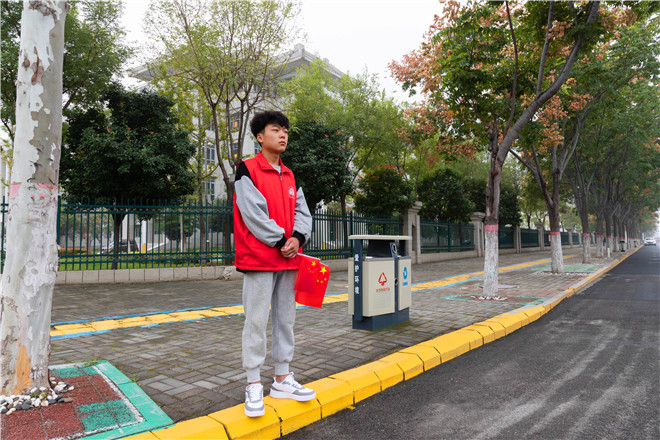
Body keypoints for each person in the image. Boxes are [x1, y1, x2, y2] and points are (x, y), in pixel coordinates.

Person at [233, 110, 316, 417]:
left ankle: (282, 378)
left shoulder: (290, 175)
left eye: (285, 131)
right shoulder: (247, 170)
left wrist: (298, 238)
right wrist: (282, 240)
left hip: (289, 260)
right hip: (259, 259)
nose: (283, 135)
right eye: (276, 130)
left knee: (285, 320)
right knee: (255, 321)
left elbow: (303, 212)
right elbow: (252, 213)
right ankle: (253, 382)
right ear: (260, 137)